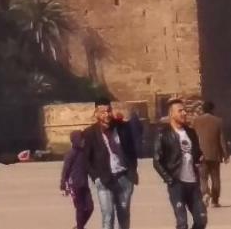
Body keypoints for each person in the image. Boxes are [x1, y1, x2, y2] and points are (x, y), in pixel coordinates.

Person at [82, 98, 139, 229]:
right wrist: (95, 177)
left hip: (124, 176)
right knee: (108, 215)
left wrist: (132, 170)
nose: (106, 115)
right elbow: (86, 159)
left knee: (124, 214)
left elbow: (132, 151)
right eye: (102, 112)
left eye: (108, 111)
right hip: (104, 179)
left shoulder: (122, 128)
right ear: (96, 113)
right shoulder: (89, 133)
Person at [152, 99, 207, 229]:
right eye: (180, 111)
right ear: (171, 114)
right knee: (182, 223)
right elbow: (156, 160)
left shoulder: (191, 132)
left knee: (201, 220)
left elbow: (197, 152)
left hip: (193, 183)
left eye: (185, 111)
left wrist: (200, 158)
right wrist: (169, 179)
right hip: (177, 183)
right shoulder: (163, 134)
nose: (184, 113)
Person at [193, 101, 228, 208]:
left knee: (202, 177)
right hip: (215, 154)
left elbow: (193, 138)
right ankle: (215, 201)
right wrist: (225, 154)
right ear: (212, 109)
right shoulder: (218, 121)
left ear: (203, 109)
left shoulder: (196, 121)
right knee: (215, 177)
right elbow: (222, 139)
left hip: (201, 154)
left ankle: (205, 193)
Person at [61, 130, 94, 229]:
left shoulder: (84, 153)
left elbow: (89, 167)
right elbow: (65, 170)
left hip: (84, 184)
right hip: (74, 185)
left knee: (90, 208)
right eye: (81, 139)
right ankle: (80, 227)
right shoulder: (70, 154)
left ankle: (79, 226)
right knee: (79, 209)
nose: (83, 141)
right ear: (75, 140)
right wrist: (63, 185)